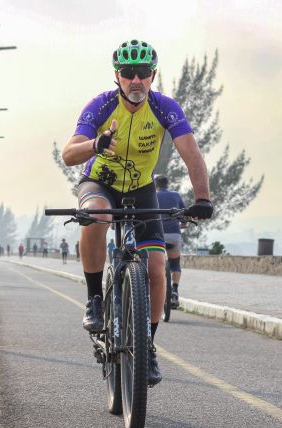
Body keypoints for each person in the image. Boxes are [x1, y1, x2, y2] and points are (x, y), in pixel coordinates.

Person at [61, 39, 213, 386]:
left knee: (158, 267)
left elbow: (192, 153)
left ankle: (147, 346)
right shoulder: (100, 106)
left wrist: (202, 197)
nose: (136, 80)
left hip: (141, 189)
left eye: (143, 73)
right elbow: (70, 154)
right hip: (100, 183)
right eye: (128, 73)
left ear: (152, 75)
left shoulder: (165, 107)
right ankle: (95, 299)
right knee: (97, 213)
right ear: (117, 76)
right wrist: (95, 144)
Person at [155, 174, 185, 308]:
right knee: (175, 264)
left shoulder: (153, 195)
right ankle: (174, 291)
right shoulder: (176, 195)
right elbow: (184, 215)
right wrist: (182, 223)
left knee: (155, 264)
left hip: (157, 234)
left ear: (155, 184)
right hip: (174, 234)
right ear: (167, 184)